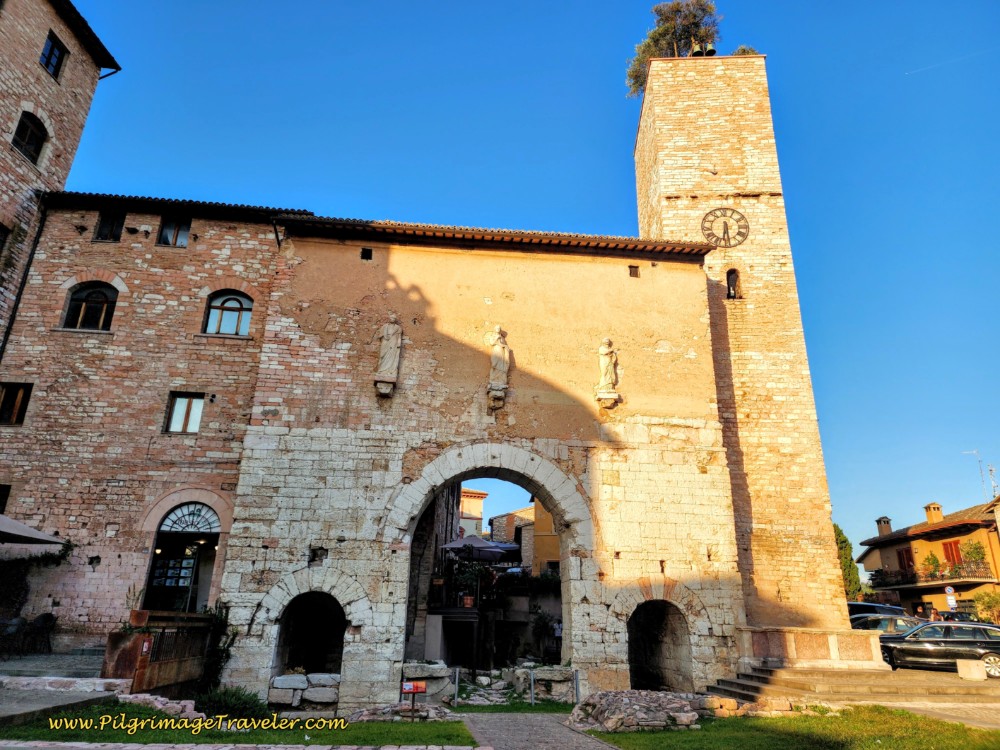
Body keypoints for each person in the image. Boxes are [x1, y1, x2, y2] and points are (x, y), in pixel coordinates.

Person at [373, 314, 402, 381]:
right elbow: (380, 334)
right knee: (382, 355)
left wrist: (399, 343)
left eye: (394, 318)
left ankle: (390, 370)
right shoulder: (385, 326)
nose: (392, 319)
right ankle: (381, 370)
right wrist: (385, 336)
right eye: (391, 318)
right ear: (389, 319)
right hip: (385, 340)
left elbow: (399, 336)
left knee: (392, 355)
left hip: (393, 341)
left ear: (395, 320)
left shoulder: (398, 327)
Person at [488, 325, 510, 390]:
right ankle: (493, 380)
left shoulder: (502, 338)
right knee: (494, 365)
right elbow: (492, 343)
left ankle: (501, 381)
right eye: (497, 328)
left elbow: (504, 345)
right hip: (496, 350)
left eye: (499, 328)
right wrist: (497, 338)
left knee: (501, 365)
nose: (498, 329)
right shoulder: (493, 336)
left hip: (501, 351)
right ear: (495, 329)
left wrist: (506, 347)